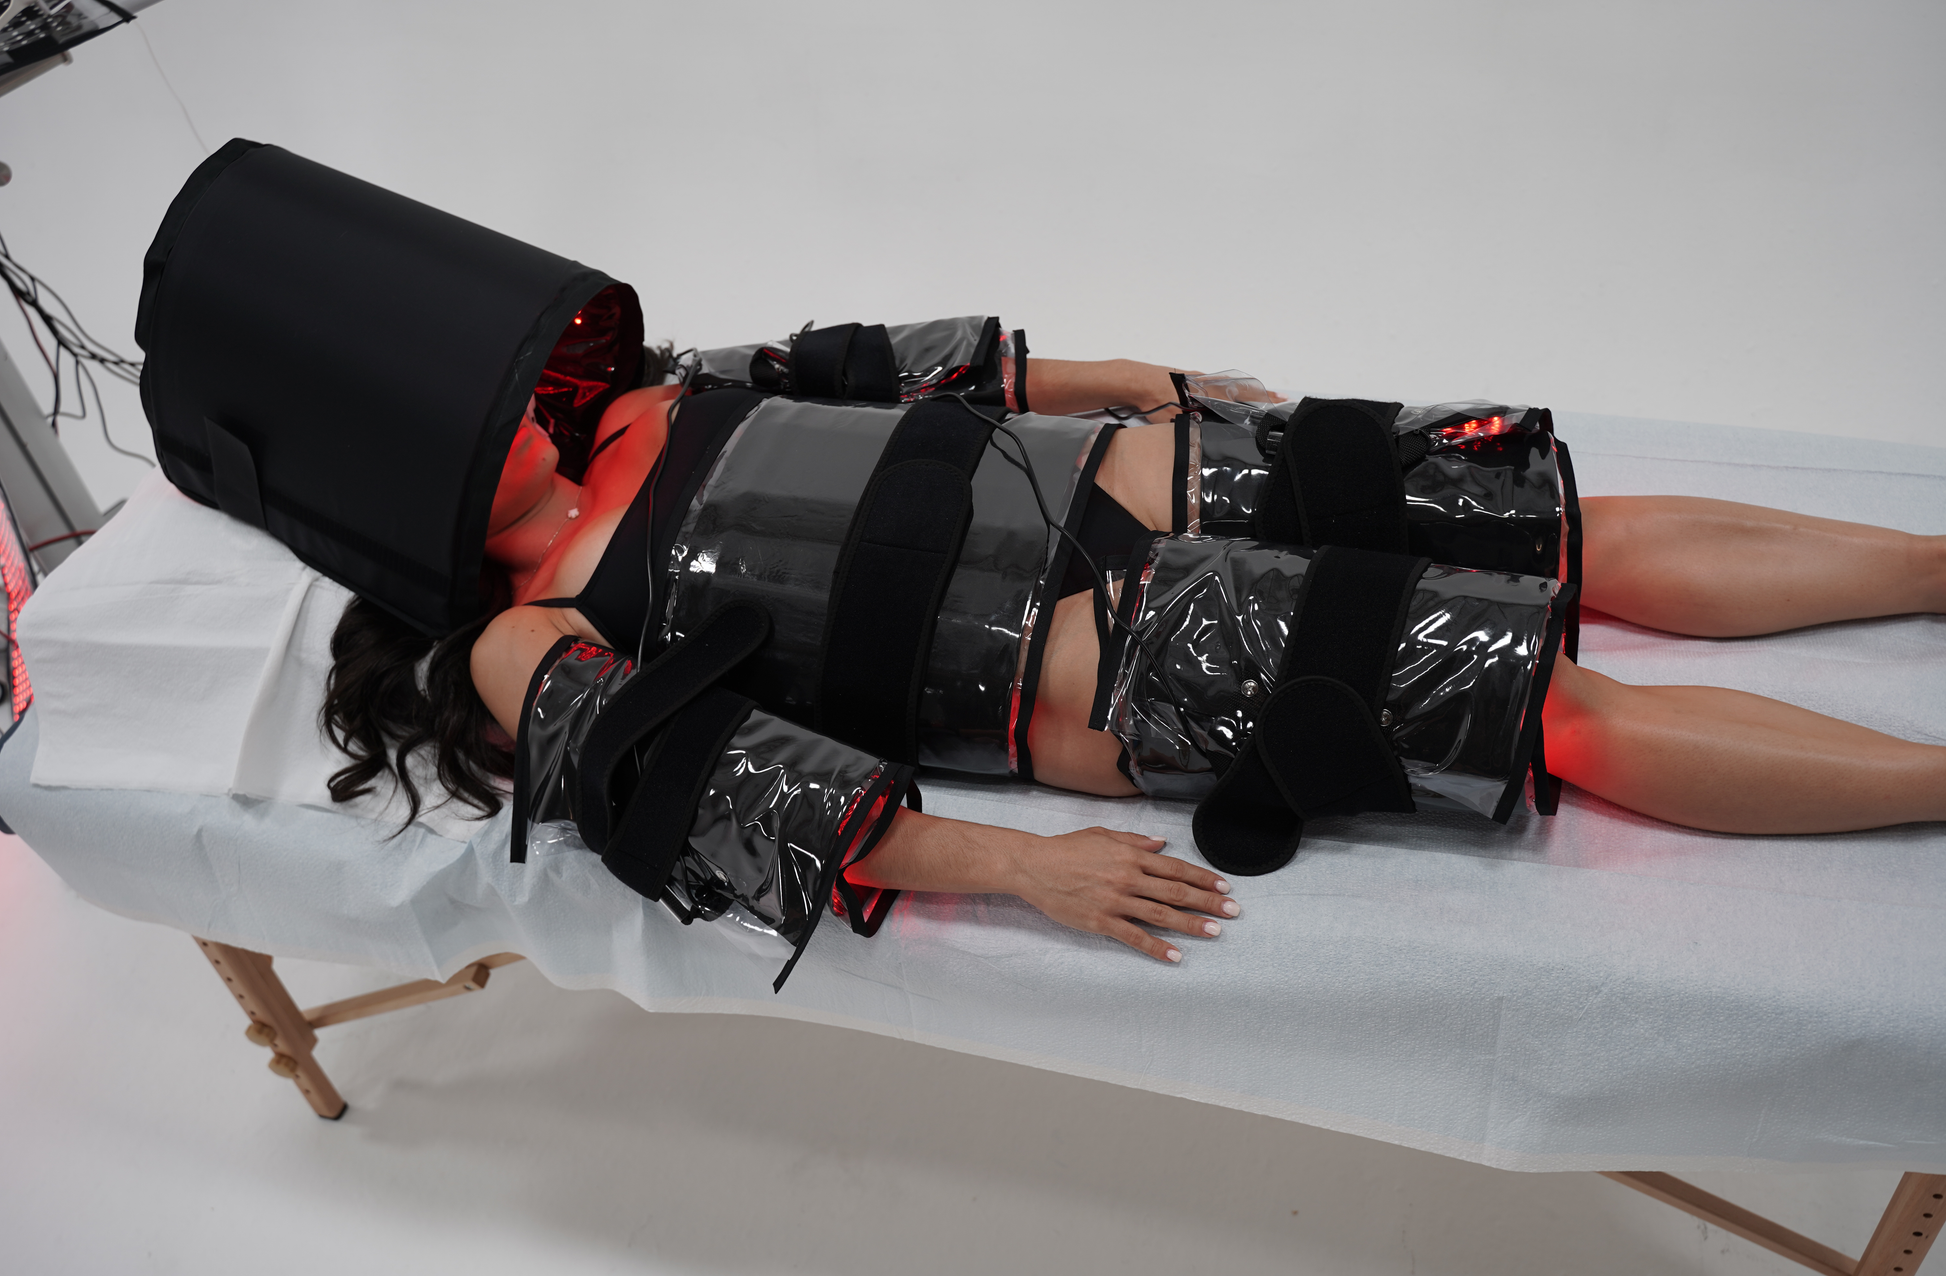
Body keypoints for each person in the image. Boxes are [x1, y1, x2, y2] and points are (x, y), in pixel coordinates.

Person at [444, 352, 1946, 967]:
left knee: (1569, 532)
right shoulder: (527, 636)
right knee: (1559, 711)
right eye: (468, 407)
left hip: (1156, 469)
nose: (512, 401)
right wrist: (1018, 868)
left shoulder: (660, 387)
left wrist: (1157, 379)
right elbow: (724, 783)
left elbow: (941, 371)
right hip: (1113, 654)